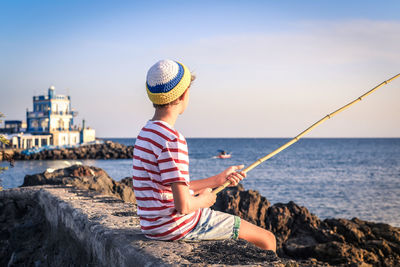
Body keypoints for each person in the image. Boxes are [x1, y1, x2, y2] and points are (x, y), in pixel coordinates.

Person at [132, 59, 276, 251]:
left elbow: (170, 189)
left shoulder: (145, 133)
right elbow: (183, 206)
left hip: (152, 227)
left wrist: (217, 180)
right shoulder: (173, 140)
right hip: (176, 227)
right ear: (184, 94)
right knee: (266, 239)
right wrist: (204, 201)